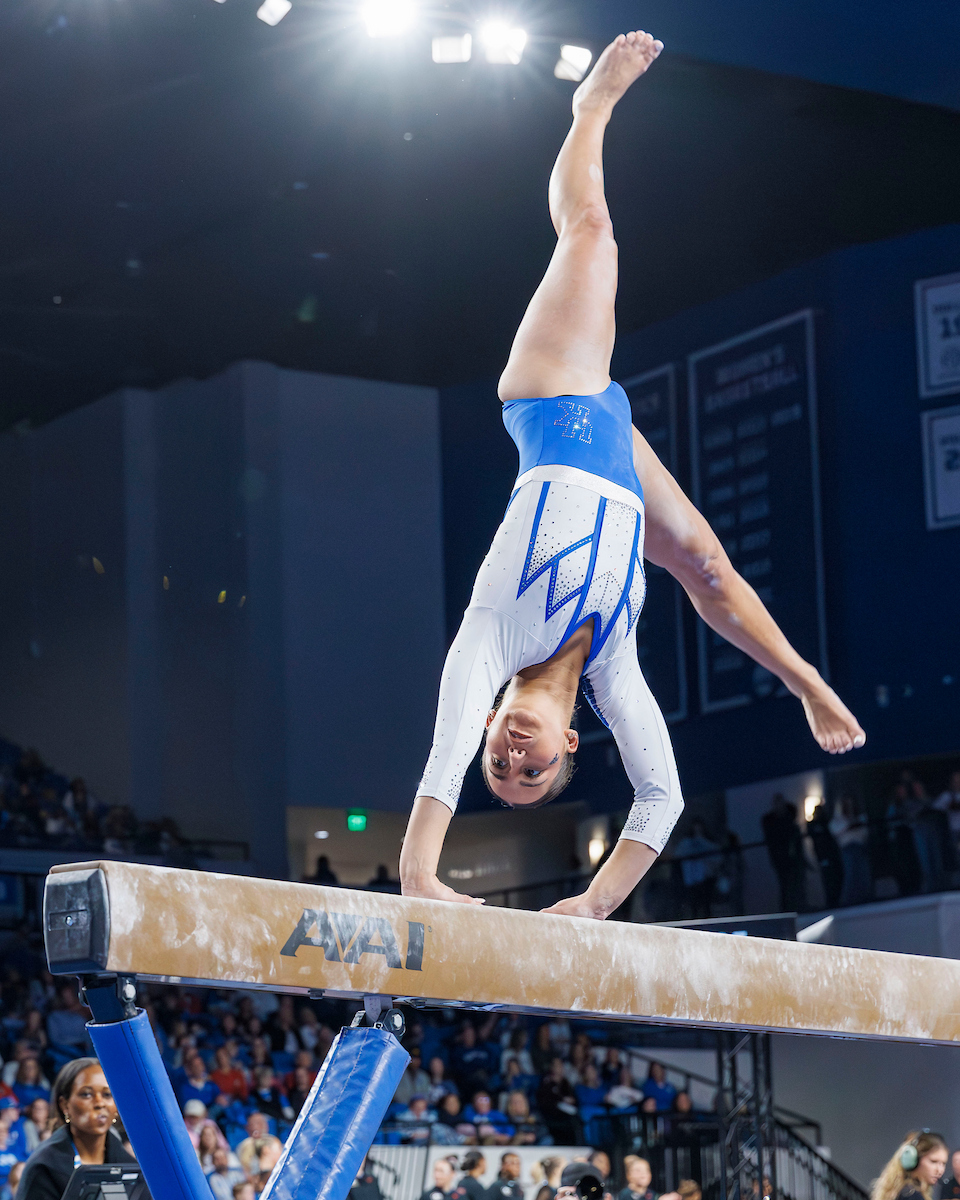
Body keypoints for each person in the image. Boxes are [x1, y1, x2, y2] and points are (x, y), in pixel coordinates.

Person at [399, 30, 865, 917]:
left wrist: (420, 879)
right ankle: (808, 680)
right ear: (571, 745)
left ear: (491, 725)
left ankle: (591, 110)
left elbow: (443, 747)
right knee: (709, 568)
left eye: (501, 761)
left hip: (555, 401)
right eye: (534, 771)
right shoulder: (613, 671)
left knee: (591, 231)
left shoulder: (491, 639)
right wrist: (591, 906)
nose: (514, 757)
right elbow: (663, 797)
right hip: (614, 454)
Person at [16, 1058, 137, 1200]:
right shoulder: (44, 1167)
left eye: (107, 1095)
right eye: (86, 1094)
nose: (100, 1103)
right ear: (64, 1105)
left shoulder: (131, 1166)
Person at [870, 1131, 947, 1200]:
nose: (940, 1170)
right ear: (915, 1159)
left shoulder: (904, 1191)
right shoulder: (911, 1195)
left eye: (943, 1164)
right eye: (933, 1162)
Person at [761, 795, 805, 911]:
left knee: (795, 883)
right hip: (780, 858)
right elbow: (773, 836)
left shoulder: (788, 818)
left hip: (793, 858)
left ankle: (796, 907)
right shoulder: (769, 821)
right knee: (785, 885)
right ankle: (787, 909)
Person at [674, 820, 720, 918]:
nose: (697, 830)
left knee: (706, 904)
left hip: (706, 878)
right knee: (693, 904)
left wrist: (701, 840)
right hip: (690, 879)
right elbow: (677, 855)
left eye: (699, 828)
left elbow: (717, 856)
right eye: (695, 828)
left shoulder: (706, 842)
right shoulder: (686, 843)